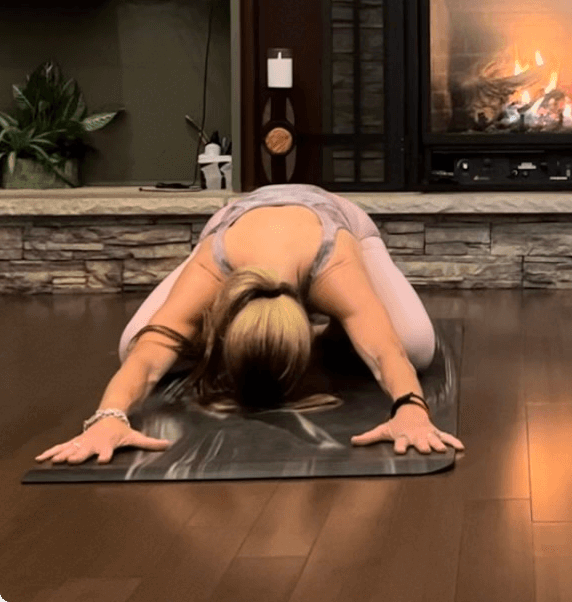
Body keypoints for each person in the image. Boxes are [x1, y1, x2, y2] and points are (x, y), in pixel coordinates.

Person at [36, 184, 463, 465]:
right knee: (134, 343)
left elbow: (387, 350)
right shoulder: (215, 263)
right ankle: (309, 334)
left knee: (415, 344)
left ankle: (335, 330)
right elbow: (146, 359)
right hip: (235, 221)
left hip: (337, 218)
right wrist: (109, 418)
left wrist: (411, 407)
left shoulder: (334, 264)